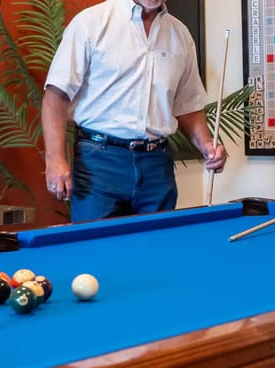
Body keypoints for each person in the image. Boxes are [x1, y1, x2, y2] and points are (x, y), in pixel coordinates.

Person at [41, 0, 228, 222]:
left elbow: (186, 105)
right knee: (97, 252)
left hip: (157, 165)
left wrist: (207, 146)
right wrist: (55, 161)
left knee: (157, 250)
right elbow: (55, 98)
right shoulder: (90, 23)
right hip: (100, 162)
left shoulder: (180, 34)